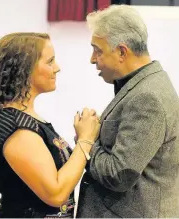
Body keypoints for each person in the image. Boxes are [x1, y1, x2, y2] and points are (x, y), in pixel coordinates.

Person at [76, 5, 179, 218]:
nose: (92, 59)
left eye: (98, 50)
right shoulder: (144, 84)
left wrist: (86, 141)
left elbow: (119, 174)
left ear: (122, 51)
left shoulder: (147, 97)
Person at [0, 32, 100, 218]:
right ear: (25, 68)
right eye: (50, 61)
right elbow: (55, 194)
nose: (57, 68)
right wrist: (85, 140)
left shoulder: (26, 120)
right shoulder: (18, 128)